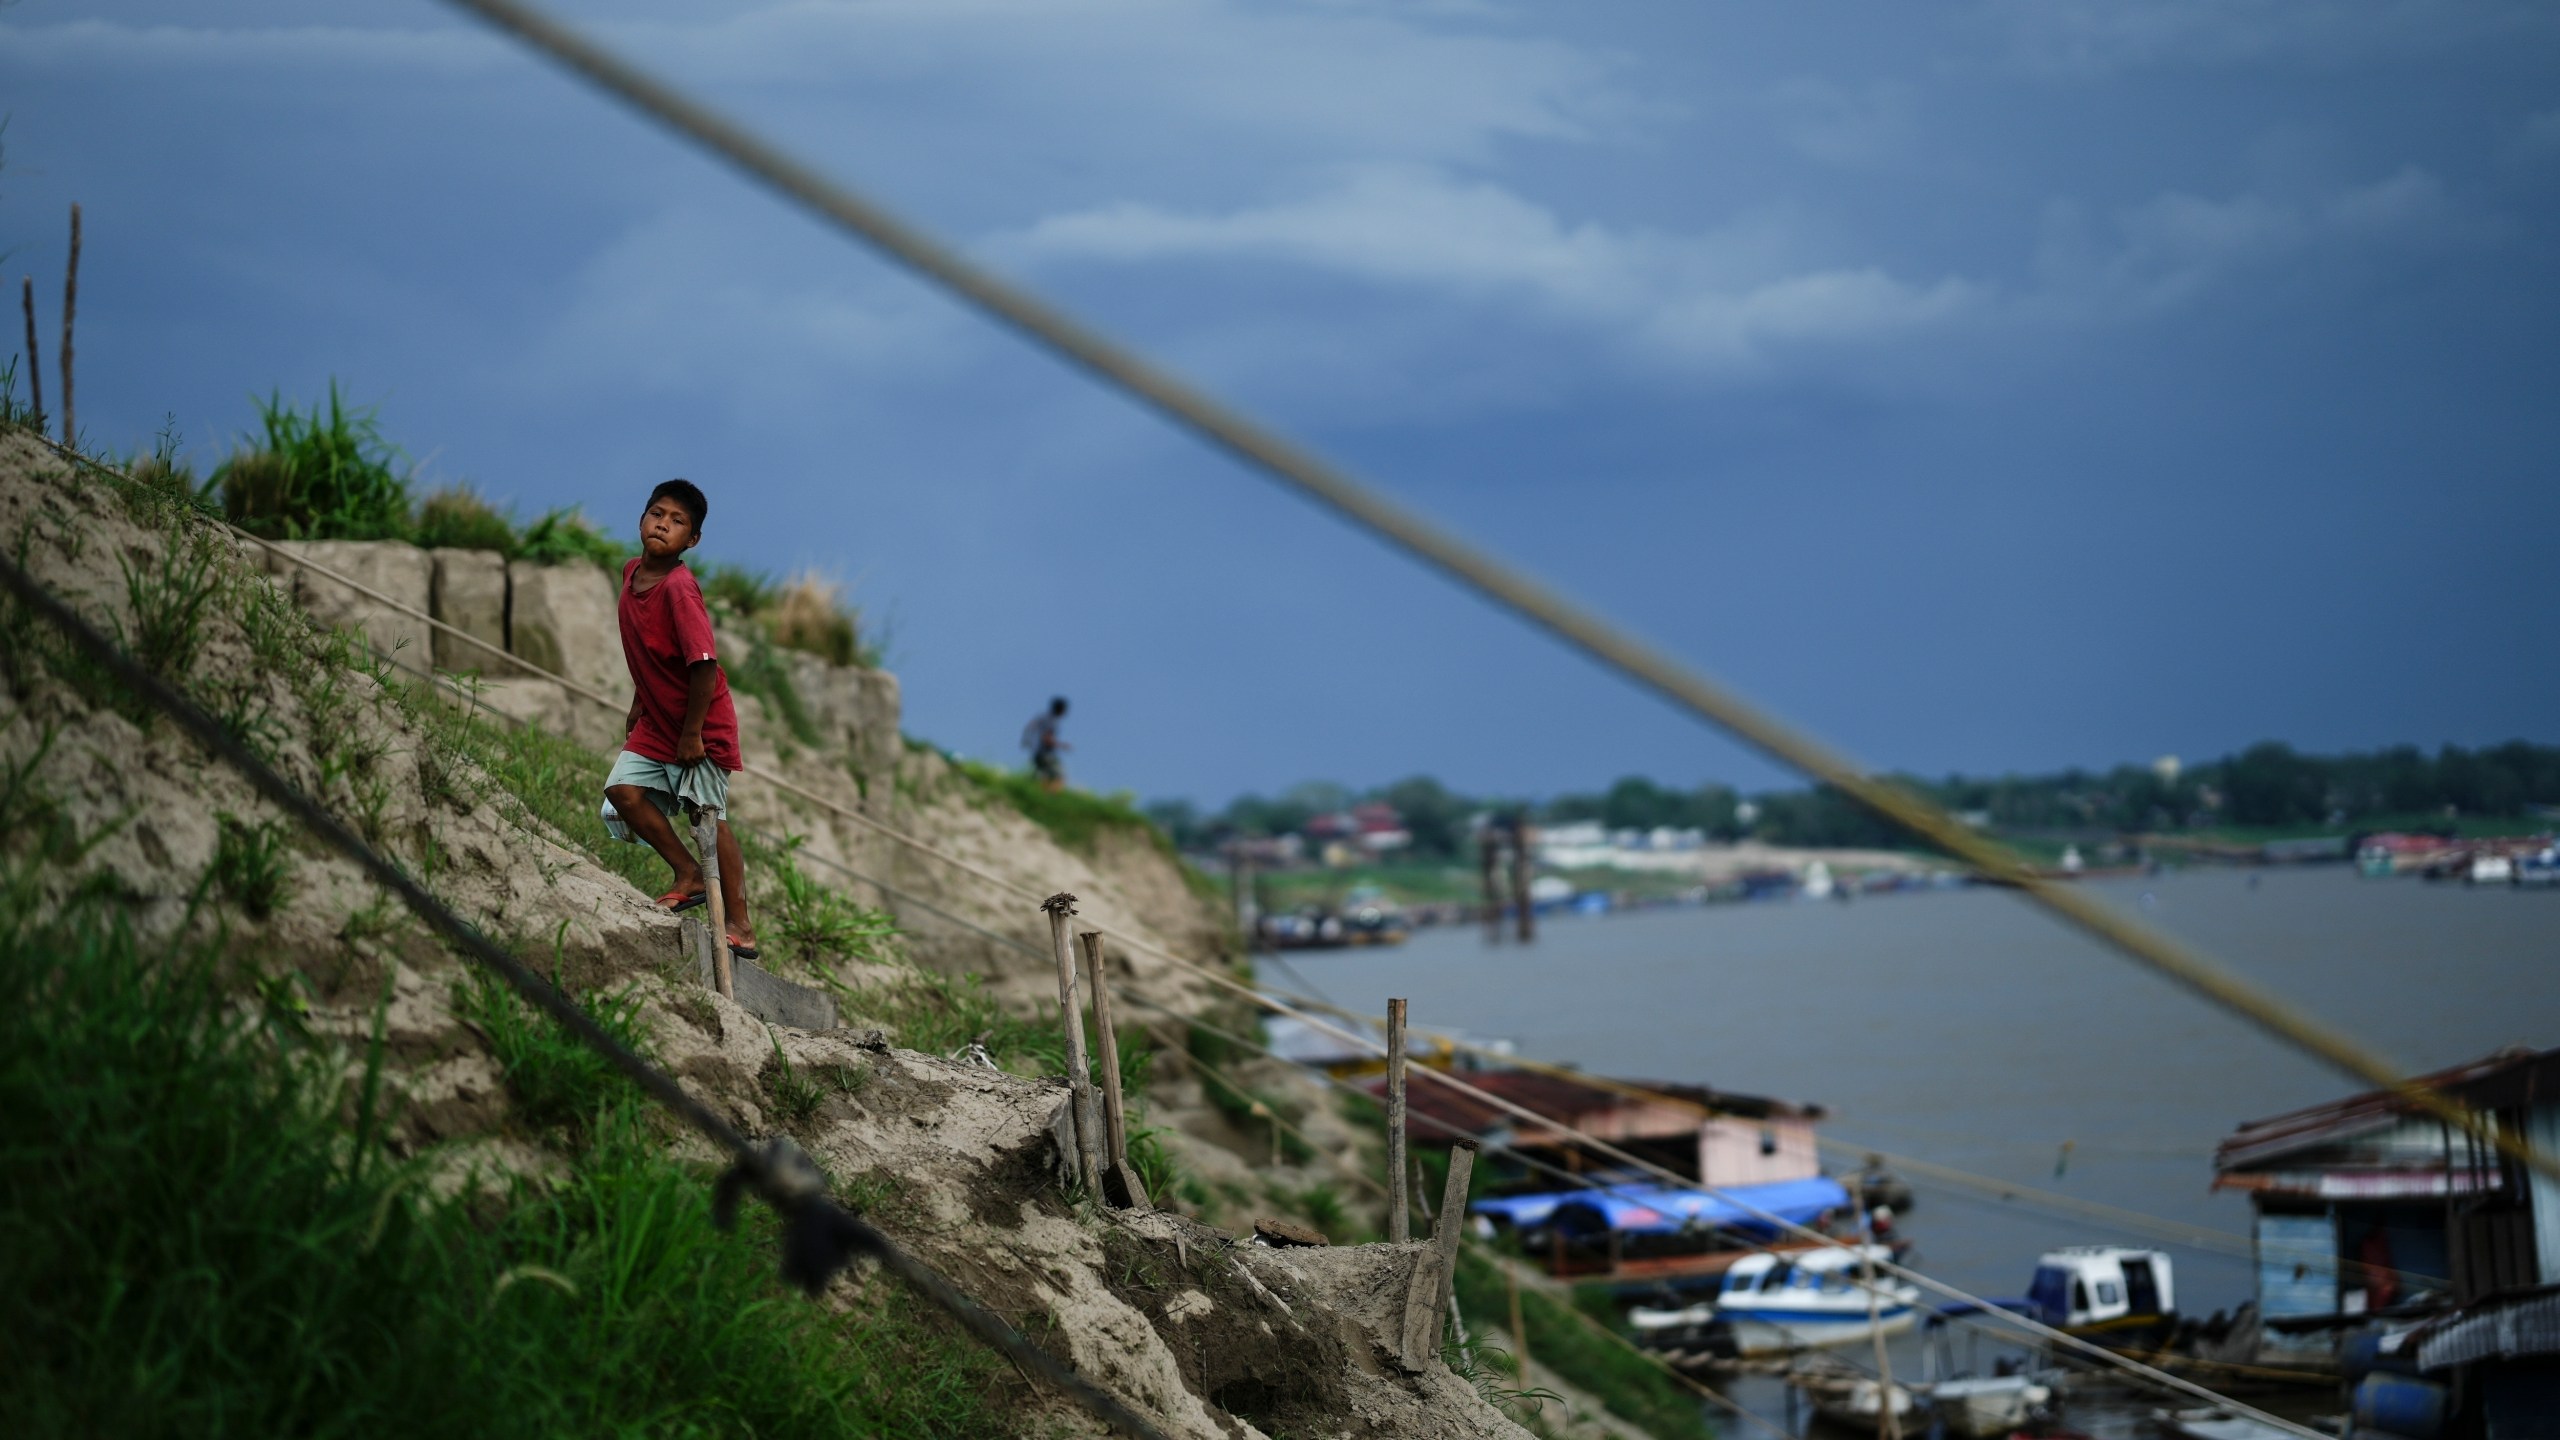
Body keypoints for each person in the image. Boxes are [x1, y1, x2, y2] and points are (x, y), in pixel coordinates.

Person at [602, 478, 758, 959]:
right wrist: (638, 701)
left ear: (691, 541)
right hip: (658, 717)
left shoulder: (679, 590)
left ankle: (741, 925)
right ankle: (687, 874)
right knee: (622, 791)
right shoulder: (632, 575)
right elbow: (650, 653)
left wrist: (692, 735)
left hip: (699, 725)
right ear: (642, 518)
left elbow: (704, 666)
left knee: (709, 818)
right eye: (657, 513)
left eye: (677, 522)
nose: (662, 525)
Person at [1022, 696, 1070, 792]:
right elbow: (1046, 738)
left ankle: (1039, 793)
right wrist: (1061, 745)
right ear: (1061, 709)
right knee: (1060, 776)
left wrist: (1026, 739)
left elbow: (1030, 725)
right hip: (1046, 754)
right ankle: (1049, 796)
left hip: (1038, 753)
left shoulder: (1043, 717)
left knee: (1041, 776)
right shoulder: (1052, 721)